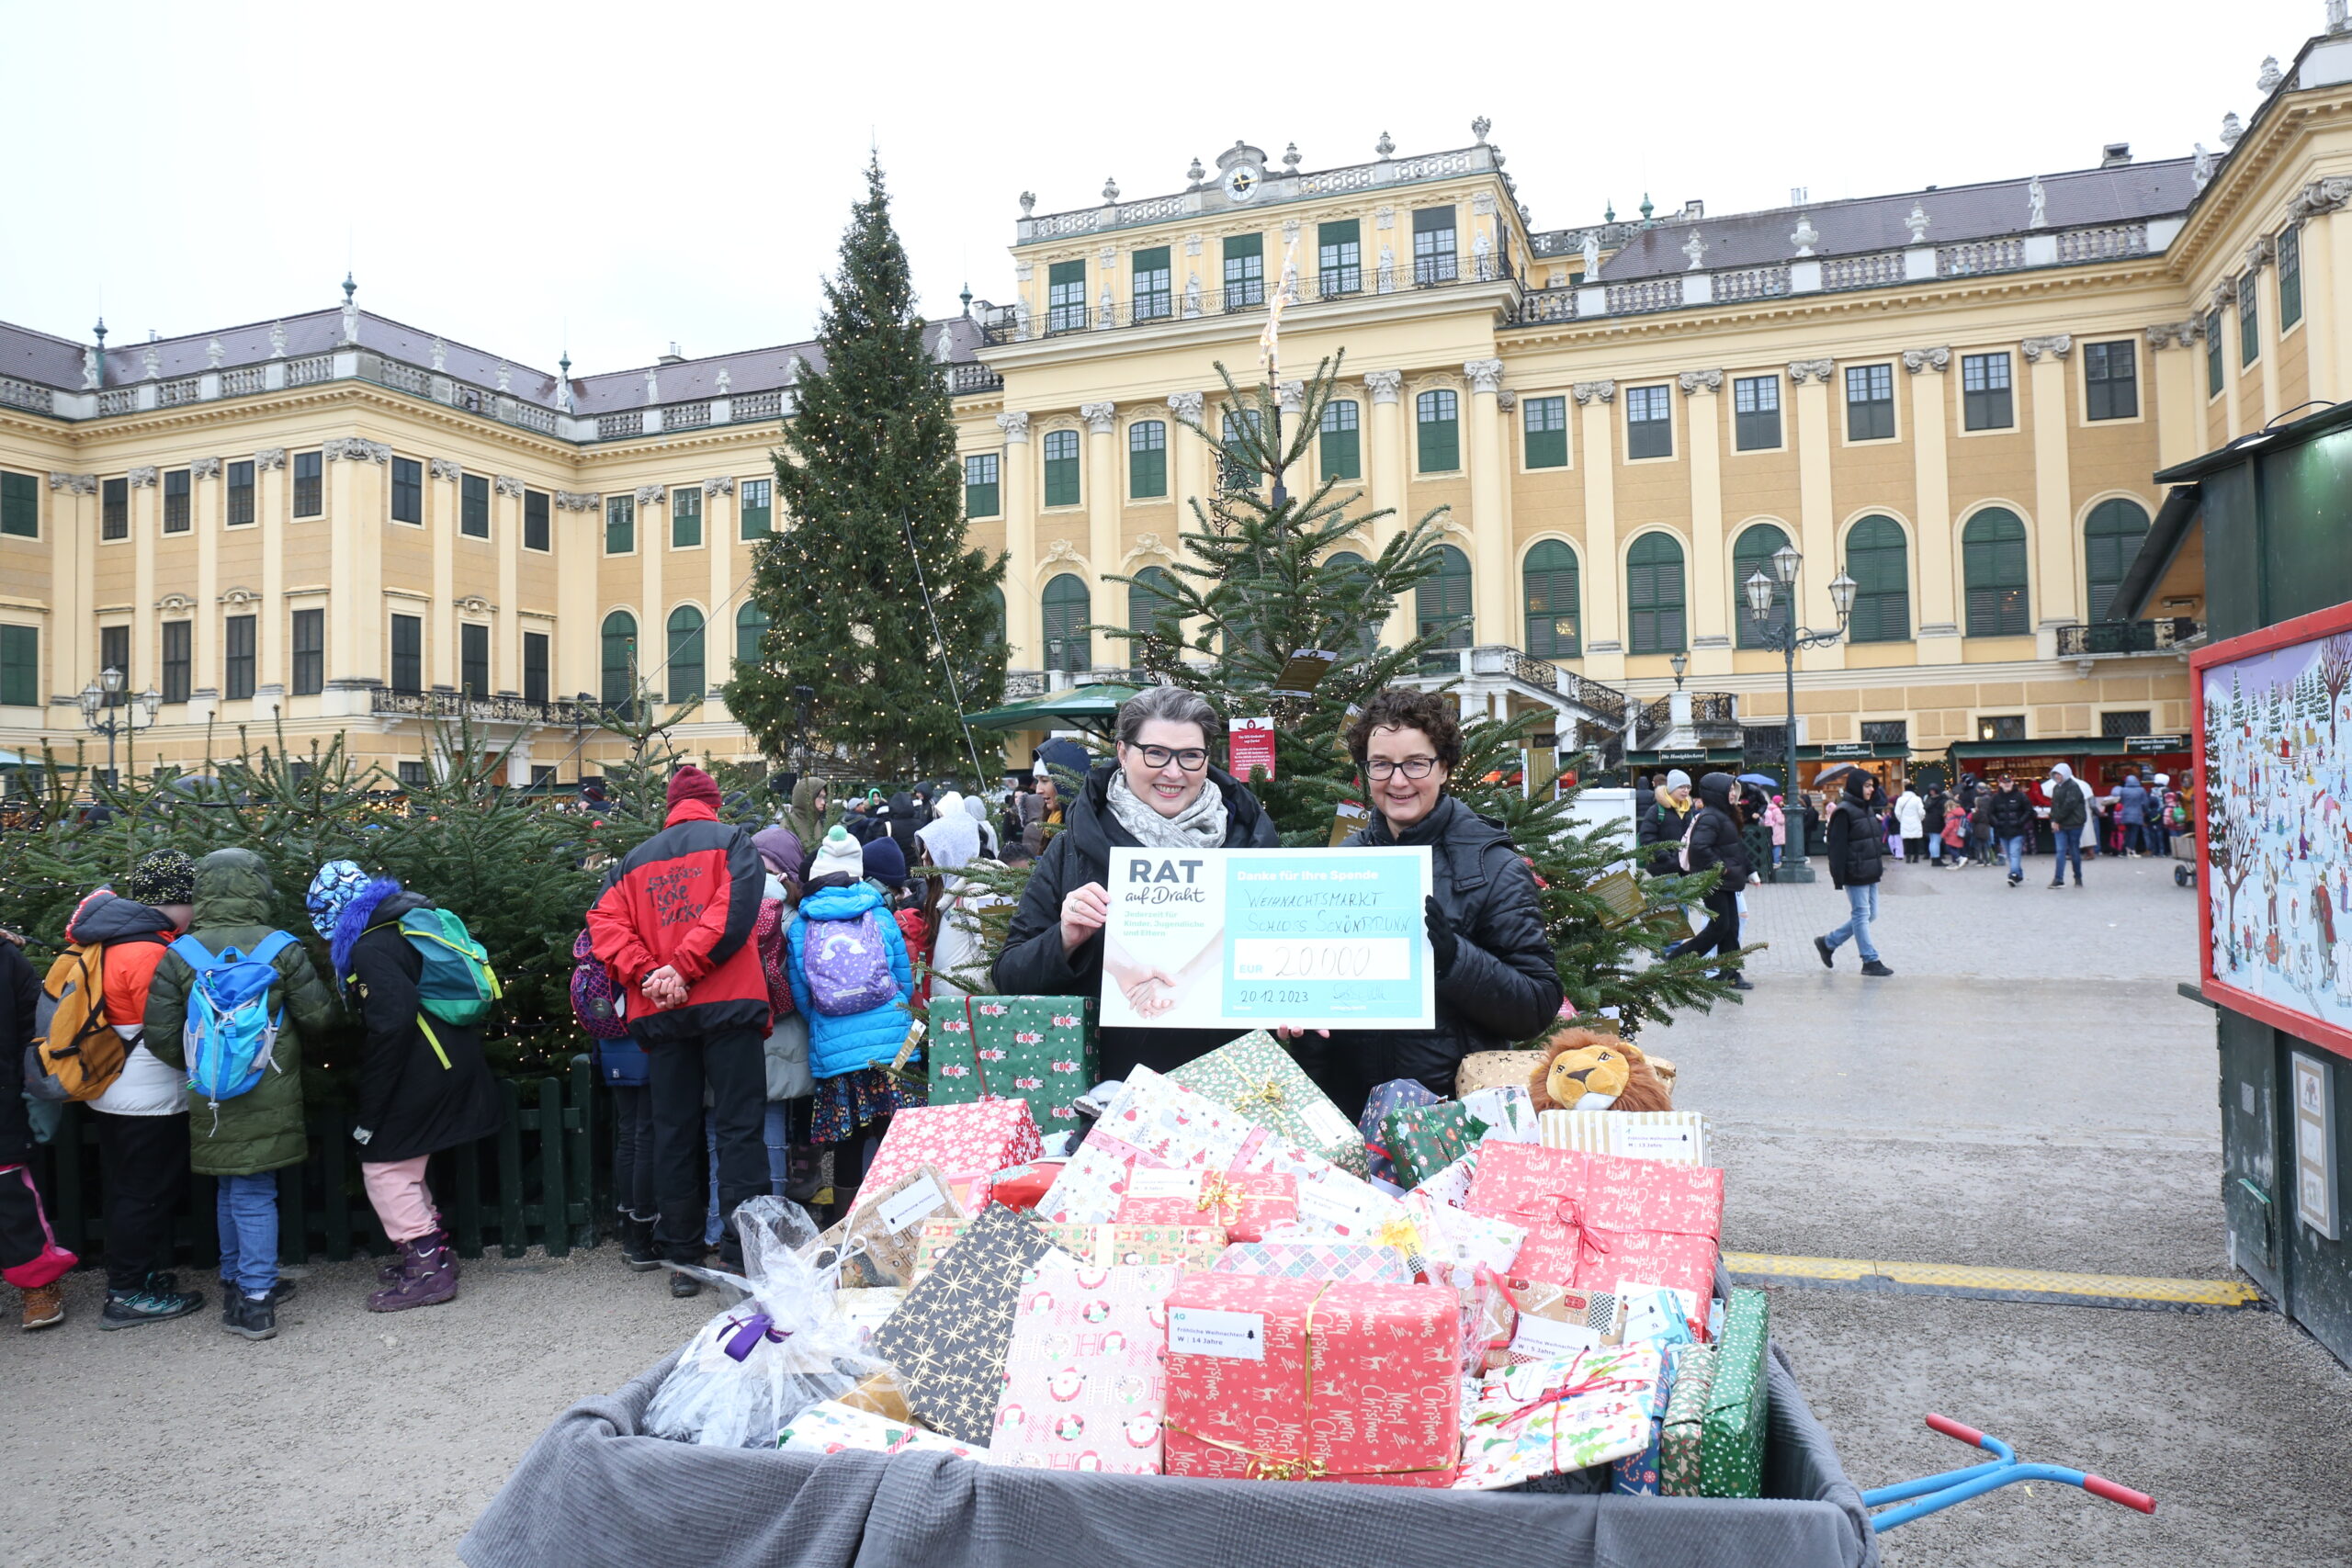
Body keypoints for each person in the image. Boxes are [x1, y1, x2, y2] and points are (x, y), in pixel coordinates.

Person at [994, 685, 1280, 1083]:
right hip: (1106, 1090)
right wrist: (1066, 939)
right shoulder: (1073, 849)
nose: (1174, 772)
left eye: (1190, 755)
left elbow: (1281, 961)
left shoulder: (1252, 844)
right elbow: (1009, 975)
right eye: (1156, 753)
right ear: (1123, 753)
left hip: (1231, 1086)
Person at [1303, 687, 1565, 1118]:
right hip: (1350, 1113)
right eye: (1381, 764)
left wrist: (1454, 959)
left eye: (1415, 763)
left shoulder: (1492, 866)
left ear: (1443, 768)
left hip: (1452, 1119)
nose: (1398, 781)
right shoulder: (1343, 864)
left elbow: (1536, 1006)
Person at [586, 763, 771, 1298]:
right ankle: (741, 1257)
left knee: (673, 1133)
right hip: (729, 1003)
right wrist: (682, 967)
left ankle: (683, 1259)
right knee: (739, 1130)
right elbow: (732, 912)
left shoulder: (631, 863)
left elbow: (604, 925)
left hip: (662, 1010)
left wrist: (652, 974)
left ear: (670, 808)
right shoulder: (732, 842)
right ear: (714, 804)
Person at [143, 849, 338, 1340]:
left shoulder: (181, 953)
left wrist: (208, 1067)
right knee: (254, 1189)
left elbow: (160, 1035)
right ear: (259, 888)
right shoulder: (280, 947)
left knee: (230, 1186)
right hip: (268, 1086)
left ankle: (236, 1282)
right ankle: (256, 1298)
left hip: (210, 1092)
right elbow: (319, 1017)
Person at [304, 860, 503, 1312]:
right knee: (404, 1164)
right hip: (447, 1059)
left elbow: (391, 1025)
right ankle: (434, 1254)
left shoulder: (369, 948)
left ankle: (428, 1268)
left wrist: (373, 1103)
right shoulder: (401, 927)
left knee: (384, 1167)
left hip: (422, 1068)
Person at [75, 850, 207, 1328]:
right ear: (179, 900)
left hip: (114, 1090)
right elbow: (167, 1031)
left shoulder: (110, 941)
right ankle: (128, 1294)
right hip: (148, 1098)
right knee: (144, 1194)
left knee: (127, 1189)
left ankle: (138, 1278)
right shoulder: (149, 952)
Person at [787, 818, 920, 1214]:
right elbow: (903, 980)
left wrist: (828, 1020)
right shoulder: (880, 914)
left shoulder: (803, 924)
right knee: (893, 1136)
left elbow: (802, 994)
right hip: (891, 1047)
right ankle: (903, 1217)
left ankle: (846, 1224)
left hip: (837, 1051)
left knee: (848, 1141)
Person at [3, 928, 76, 1330]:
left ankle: (38, 1286)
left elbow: (35, 1032)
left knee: (12, 1198)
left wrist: (30, 1089)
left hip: (2, 1098)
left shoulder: (6, 958)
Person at [1815, 771, 1894, 977]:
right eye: (1867, 785)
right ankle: (1870, 959)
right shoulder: (1844, 811)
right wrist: (1838, 876)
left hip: (1870, 870)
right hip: (1856, 870)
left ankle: (1828, 942)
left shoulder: (1866, 808)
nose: (1871, 789)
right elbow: (1836, 846)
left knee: (1870, 914)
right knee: (1861, 914)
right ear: (1857, 787)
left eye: (1872, 785)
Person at [1681, 773, 1756, 990]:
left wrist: (1749, 870)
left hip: (1725, 880)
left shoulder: (1724, 815)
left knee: (1730, 927)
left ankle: (1729, 973)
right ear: (1717, 792)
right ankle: (1677, 961)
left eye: (1734, 789)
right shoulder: (1711, 817)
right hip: (1715, 880)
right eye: (1729, 789)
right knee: (1720, 927)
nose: (1733, 793)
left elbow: (1735, 849)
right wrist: (1721, 867)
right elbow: (1699, 847)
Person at [1638, 770, 1697, 877]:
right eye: (1681, 787)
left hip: (1685, 870)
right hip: (1663, 870)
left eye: (1688, 787)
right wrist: (1665, 856)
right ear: (1671, 788)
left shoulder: (1688, 810)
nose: (1685, 791)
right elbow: (1646, 838)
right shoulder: (1656, 810)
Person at [2047, 762, 2089, 888]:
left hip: (2073, 823)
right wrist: (2053, 819)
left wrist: (2056, 820)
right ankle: (2059, 879)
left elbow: (2068, 806)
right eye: (2055, 774)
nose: (2057, 776)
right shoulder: (2056, 788)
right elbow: (2054, 806)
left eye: (2059, 774)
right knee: (2063, 851)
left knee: (2072, 850)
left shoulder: (2073, 787)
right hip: (2064, 823)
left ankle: (2077, 877)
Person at [1988, 774, 2035, 886]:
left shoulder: (2020, 796)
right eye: (2004, 782)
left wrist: (2020, 822)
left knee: (2014, 854)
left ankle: (2013, 874)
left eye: (2009, 782)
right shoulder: (1995, 798)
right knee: (2010, 855)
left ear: (2013, 782)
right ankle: (2019, 875)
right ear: (2000, 784)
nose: (2007, 784)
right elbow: (1990, 813)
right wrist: (1996, 823)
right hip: (2002, 831)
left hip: (2017, 831)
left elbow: (2029, 811)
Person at [2117, 773, 2153, 858]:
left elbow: (2121, 801)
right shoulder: (2141, 790)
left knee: (2128, 832)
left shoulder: (2123, 790)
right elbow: (2145, 803)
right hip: (2137, 813)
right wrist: (2146, 811)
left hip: (2126, 813)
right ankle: (2131, 850)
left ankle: (2125, 850)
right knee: (2134, 833)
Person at [1894, 782, 1926, 863]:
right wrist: (1920, 819)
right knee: (1916, 841)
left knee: (1907, 841)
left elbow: (1897, 812)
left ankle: (1908, 858)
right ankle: (1916, 858)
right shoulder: (1917, 799)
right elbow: (1921, 812)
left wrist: (1901, 820)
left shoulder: (1900, 799)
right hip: (1916, 821)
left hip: (1905, 822)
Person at [1764, 795, 1787, 869]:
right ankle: (1777, 862)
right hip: (1778, 830)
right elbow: (1781, 821)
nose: (1782, 802)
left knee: (1775, 846)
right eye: (1781, 801)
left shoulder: (1771, 809)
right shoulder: (1777, 810)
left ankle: (1775, 861)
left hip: (1774, 829)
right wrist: (1785, 815)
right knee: (1777, 846)